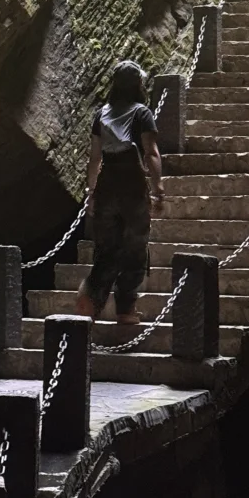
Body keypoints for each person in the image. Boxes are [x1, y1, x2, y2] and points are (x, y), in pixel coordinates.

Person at [75, 59, 164, 324]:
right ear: (138, 84)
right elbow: (151, 152)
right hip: (131, 185)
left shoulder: (100, 114)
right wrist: (158, 188)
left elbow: (94, 159)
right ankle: (125, 309)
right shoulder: (141, 112)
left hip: (106, 186)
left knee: (107, 248)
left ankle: (90, 299)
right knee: (135, 246)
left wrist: (92, 193)